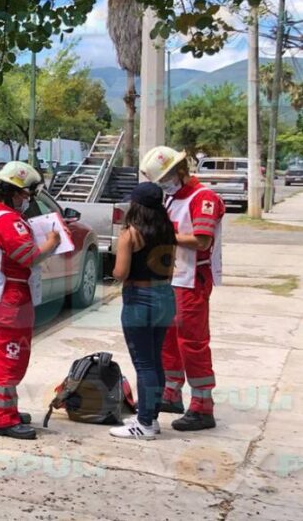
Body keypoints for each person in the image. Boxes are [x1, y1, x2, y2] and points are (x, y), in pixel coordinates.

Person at [140, 147, 224, 431]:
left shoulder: (204, 198)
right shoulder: (172, 199)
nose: (164, 183)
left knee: (192, 342)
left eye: (165, 177)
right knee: (168, 339)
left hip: (192, 279)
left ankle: (202, 406)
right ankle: (171, 393)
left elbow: (201, 241)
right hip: (170, 278)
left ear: (180, 170)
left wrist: (164, 236)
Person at [0, 161, 60, 440]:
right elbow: (29, 256)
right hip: (9, 299)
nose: (26, 201)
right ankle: (2, 420)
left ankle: (2, 409)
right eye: (25, 195)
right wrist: (52, 243)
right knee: (11, 359)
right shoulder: (8, 221)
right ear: (13, 192)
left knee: (1, 355)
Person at [109, 182, 177, 440]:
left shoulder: (131, 234)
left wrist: (117, 255)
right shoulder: (167, 230)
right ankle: (152, 416)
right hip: (165, 296)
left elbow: (120, 273)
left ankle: (145, 423)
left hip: (139, 299)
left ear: (135, 205)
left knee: (144, 363)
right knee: (155, 360)